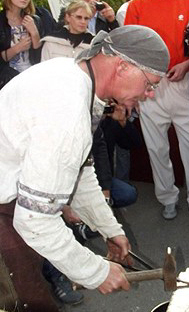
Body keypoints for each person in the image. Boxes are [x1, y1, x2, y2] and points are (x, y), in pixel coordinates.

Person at [0, 25, 170, 311]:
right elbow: (35, 222)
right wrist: (95, 271)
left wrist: (109, 230)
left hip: (12, 199)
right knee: (27, 302)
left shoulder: (71, 74)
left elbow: (80, 172)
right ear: (122, 66)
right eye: (150, 84)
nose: (149, 94)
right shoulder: (67, 111)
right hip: (7, 207)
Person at [124, 0, 189, 220]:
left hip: (182, 81)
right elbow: (127, 46)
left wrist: (188, 64)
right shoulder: (136, 5)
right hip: (148, 83)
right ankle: (167, 198)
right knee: (156, 148)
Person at [0, 0, 43, 89]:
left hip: (34, 78)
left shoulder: (35, 19)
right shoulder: (1, 21)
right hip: (9, 82)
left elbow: (42, 55)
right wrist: (17, 48)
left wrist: (34, 33)